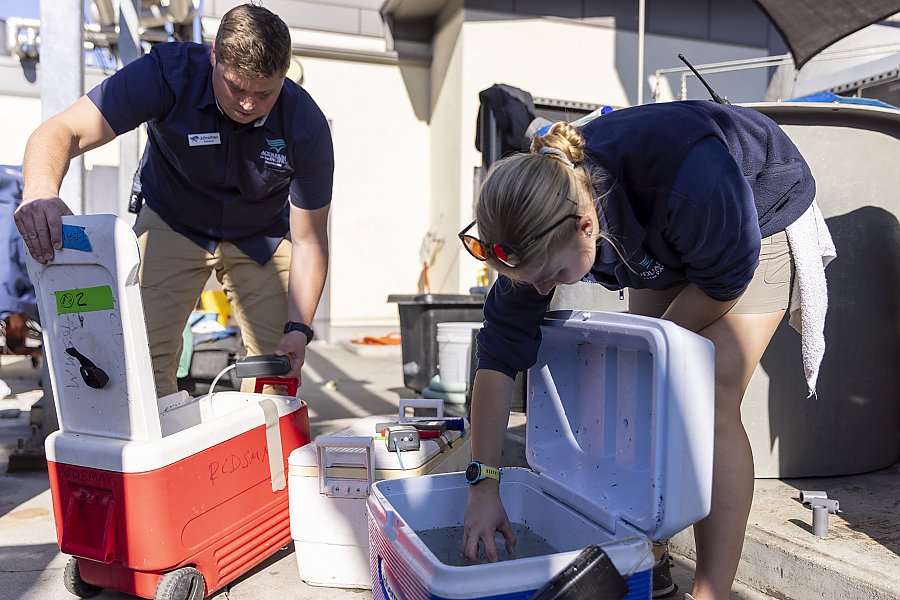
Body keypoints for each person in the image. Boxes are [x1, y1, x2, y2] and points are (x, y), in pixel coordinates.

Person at [459, 100, 834, 600]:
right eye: (533, 280)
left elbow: (727, 276)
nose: (543, 288)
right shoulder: (533, 231)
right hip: (668, 231)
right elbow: (499, 355)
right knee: (646, 389)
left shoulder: (684, 176)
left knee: (707, 394)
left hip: (755, 214)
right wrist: (484, 485)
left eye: (552, 276)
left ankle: (711, 591)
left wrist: (654, 355)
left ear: (585, 226)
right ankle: (645, 547)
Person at [15, 4, 334, 396]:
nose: (248, 104)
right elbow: (62, 130)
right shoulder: (166, 75)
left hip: (260, 235)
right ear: (215, 55)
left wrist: (299, 329)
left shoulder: (307, 126)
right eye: (236, 87)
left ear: (284, 76)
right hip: (173, 220)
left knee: (279, 367)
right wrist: (40, 193)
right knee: (137, 360)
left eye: (264, 93)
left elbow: (309, 240)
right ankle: (163, 448)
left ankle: (258, 450)